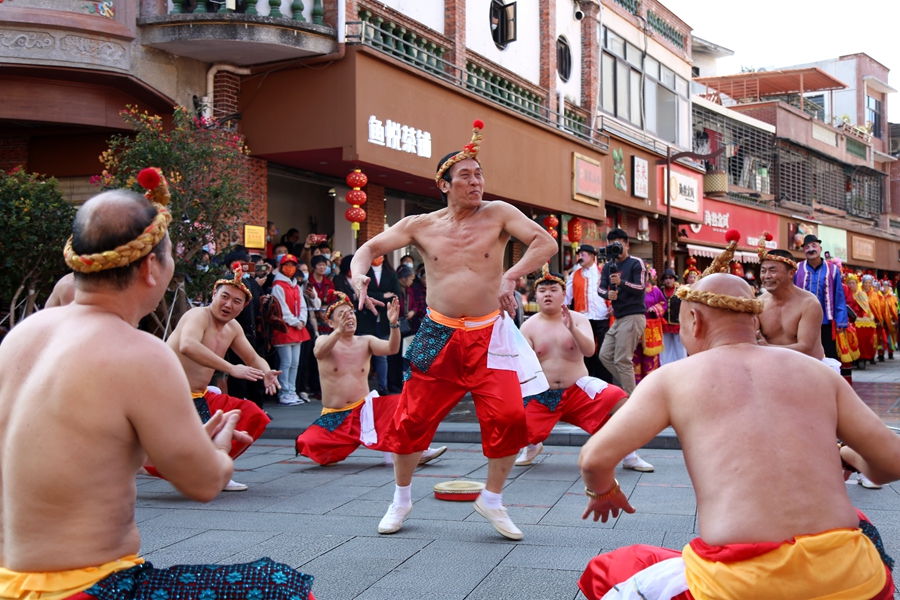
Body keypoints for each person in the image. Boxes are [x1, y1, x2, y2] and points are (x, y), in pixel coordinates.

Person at [0, 180, 315, 599]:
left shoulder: (21, 336)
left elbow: (80, 449)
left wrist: (182, 442)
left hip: (9, 581)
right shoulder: (139, 352)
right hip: (86, 588)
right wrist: (218, 450)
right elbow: (203, 483)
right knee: (281, 587)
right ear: (151, 267)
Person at [577, 268, 899, 599]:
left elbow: (594, 458)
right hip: (854, 580)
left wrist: (603, 492)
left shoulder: (672, 378)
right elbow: (893, 462)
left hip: (743, 585)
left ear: (694, 321)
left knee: (610, 571)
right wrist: (848, 455)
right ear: (754, 321)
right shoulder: (819, 372)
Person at [349, 120, 557, 540]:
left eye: (479, 174)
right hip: (436, 333)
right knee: (411, 419)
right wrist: (358, 276)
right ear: (444, 184)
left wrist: (511, 275)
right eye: (465, 175)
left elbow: (545, 243)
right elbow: (369, 248)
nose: (476, 181)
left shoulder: (499, 213)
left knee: (511, 416)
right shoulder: (420, 225)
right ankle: (401, 499)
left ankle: (493, 498)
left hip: (490, 333)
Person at [515, 268, 653, 472]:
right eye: (542, 291)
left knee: (619, 399)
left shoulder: (579, 319)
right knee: (513, 422)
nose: (547, 295)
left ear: (564, 294)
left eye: (553, 290)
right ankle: (532, 445)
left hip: (578, 389)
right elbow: (522, 365)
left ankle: (629, 455)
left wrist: (571, 328)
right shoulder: (528, 327)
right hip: (543, 393)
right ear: (536, 295)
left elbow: (589, 351)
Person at [295, 293, 445, 466]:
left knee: (403, 403)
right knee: (307, 442)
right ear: (330, 323)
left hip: (365, 410)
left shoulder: (365, 341)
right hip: (336, 415)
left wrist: (393, 324)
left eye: (350, 313)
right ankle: (335, 448)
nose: (348, 317)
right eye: (342, 315)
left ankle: (414, 450)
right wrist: (338, 331)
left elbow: (392, 348)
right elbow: (319, 353)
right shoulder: (324, 340)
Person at [166, 262, 278, 491]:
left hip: (199, 396)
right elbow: (188, 345)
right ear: (214, 294)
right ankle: (212, 471)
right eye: (224, 297)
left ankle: (218, 469)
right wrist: (231, 368)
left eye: (236, 301)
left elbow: (252, 357)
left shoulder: (233, 328)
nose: (228, 304)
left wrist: (267, 372)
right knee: (199, 439)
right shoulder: (197, 315)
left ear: (244, 306)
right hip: (169, 396)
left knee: (250, 414)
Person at [755, 236, 826, 361]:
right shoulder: (759, 303)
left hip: (808, 366)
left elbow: (805, 347)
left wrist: (768, 348)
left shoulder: (809, 303)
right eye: (763, 271)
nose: (767, 276)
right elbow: (749, 337)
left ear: (791, 273)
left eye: (773, 270)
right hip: (771, 364)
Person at [598, 229, 647, 395]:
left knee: (622, 360)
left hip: (633, 315)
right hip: (618, 318)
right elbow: (600, 288)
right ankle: (633, 391)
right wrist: (607, 295)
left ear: (627, 245)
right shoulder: (608, 266)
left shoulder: (636, 263)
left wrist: (622, 282)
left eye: (618, 245)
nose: (615, 249)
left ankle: (631, 397)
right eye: (612, 246)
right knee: (605, 355)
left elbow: (641, 287)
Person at [794, 234, 850, 376]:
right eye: (807, 247)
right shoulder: (797, 269)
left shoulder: (832, 269)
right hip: (802, 321)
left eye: (814, 246)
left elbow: (839, 296)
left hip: (826, 321)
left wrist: (840, 321)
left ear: (820, 248)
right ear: (803, 251)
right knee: (803, 354)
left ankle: (832, 383)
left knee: (829, 355)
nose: (811, 249)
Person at [271, 253, 317, 406]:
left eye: (292, 266)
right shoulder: (278, 286)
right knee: (286, 362)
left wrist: (302, 320)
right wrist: (294, 321)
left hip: (297, 327)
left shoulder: (296, 286)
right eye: (287, 266)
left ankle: (292, 391)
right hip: (284, 328)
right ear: (281, 267)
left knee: (295, 363)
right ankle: (284, 393)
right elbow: (281, 308)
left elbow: (303, 305)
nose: (290, 268)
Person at [565, 245, 613, 382]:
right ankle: (586, 381)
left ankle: (605, 383)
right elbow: (566, 296)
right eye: (579, 255)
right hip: (584, 319)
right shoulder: (575, 275)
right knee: (585, 352)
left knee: (604, 352)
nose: (580, 258)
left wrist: (614, 305)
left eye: (583, 255)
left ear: (592, 256)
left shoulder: (603, 272)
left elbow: (614, 290)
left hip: (603, 317)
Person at [356, 255, 402, 396]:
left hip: (383, 319)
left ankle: (383, 386)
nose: (377, 257)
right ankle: (360, 387)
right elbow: (361, 293)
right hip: (366, 318)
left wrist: (380, 298)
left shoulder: (390, 273)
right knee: (363, 355)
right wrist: (382, 296)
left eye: (380, 255)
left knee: (383, 356)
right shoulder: (364, 272)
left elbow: (396, 295)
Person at [632, 268, 666, 385]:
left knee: (651, 357)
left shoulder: (655, 290)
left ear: (648, 277)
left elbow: (663, 303)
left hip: (650, 329)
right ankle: (636, 384)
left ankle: (652, 384)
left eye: (644, 275)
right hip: (636, 327)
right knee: (635, 356)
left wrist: (655, 308)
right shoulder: (632, 290)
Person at [658, 269, 686, 365]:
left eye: (670, 278)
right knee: (665, 347)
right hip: (664, 323)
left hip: (678, 323)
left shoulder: (680, 291)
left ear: (674, 279)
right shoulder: (660, 291)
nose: (668, 280)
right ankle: (665, 366)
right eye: (666, 278)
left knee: (680, 347)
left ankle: (681, 365)